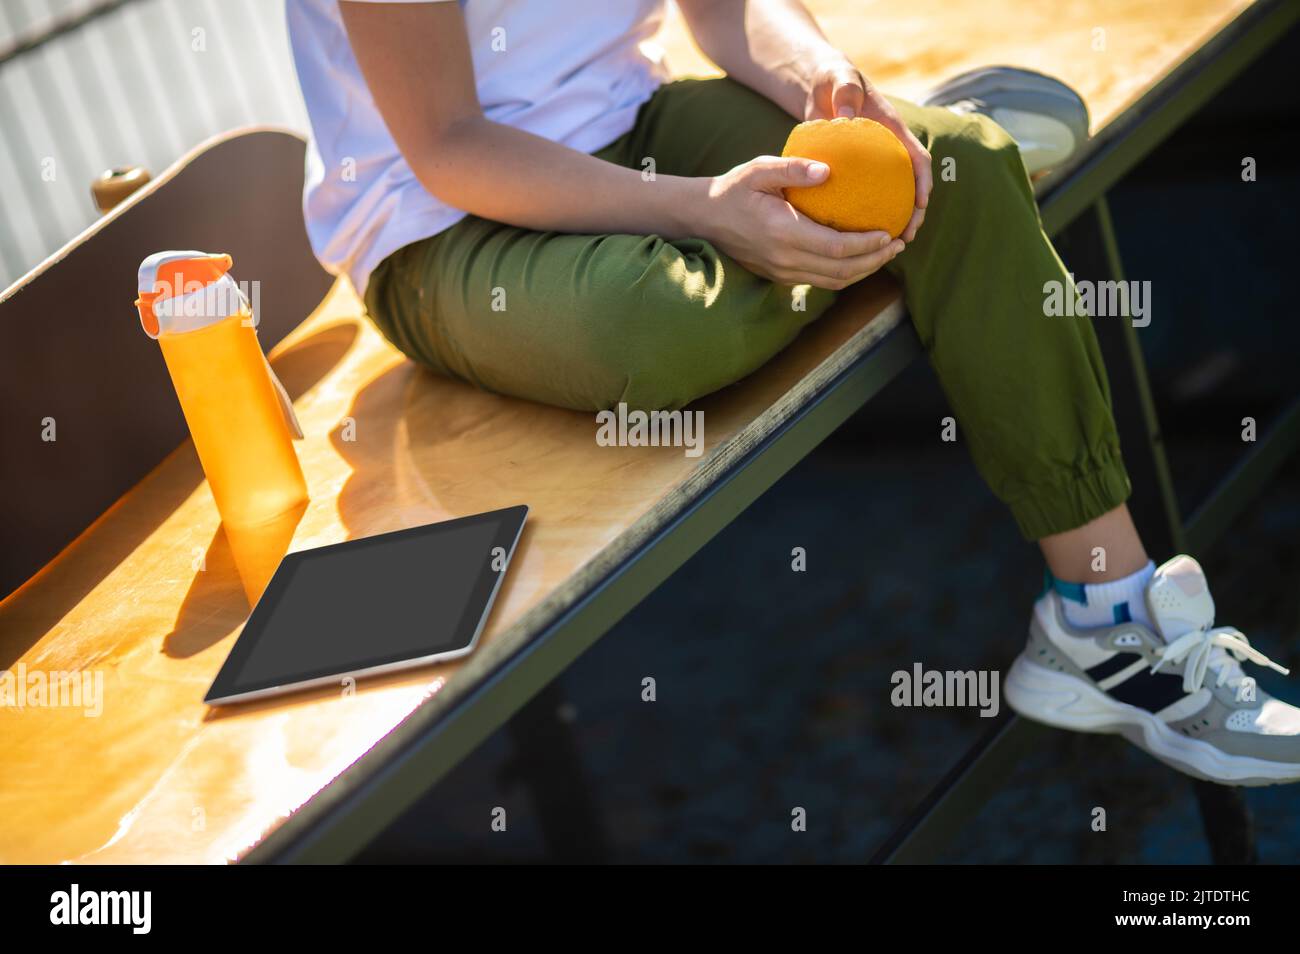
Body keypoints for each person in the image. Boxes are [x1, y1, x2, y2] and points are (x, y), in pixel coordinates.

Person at [286, 0, 1300, 785]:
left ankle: (1103, 615)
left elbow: (724, 10)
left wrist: (824, 76)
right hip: (440, 227)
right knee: (667, 328)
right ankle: (925, 228)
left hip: (633, 123)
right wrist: (698, 212)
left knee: (967, 165)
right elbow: (450, 146)